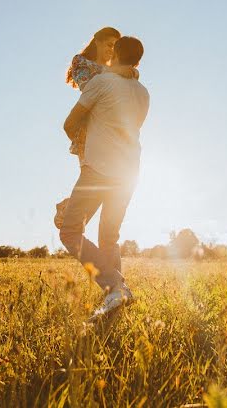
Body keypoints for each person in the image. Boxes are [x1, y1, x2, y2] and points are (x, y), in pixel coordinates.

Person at [59, 36, 149, 320]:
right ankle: (115, 295)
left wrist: (87, 140)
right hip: (129, 172)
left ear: (115, 55)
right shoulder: (143, 93)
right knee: (109, 237)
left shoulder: (100, 83)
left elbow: (69, 124)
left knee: (70, 231)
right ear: (137, 61)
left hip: (99, 170)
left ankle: (114, 286)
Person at [54, 27, 136, 229]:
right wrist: (118, 72)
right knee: (93, 180)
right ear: (97, 42)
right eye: (109, 44)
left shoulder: (114, 71)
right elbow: (87, 84)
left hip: (109, 133)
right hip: (87, 133)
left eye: (115, 47)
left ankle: (70, 212)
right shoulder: (81, 63)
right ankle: (70, 217)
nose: (112, 50)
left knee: (106, 184)